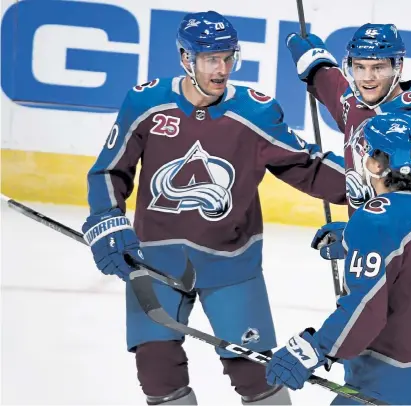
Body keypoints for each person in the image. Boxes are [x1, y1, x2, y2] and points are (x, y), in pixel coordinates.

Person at [81, 10, 347, 405]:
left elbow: (304, 165)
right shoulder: (146, 102)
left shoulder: (254, 112)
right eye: (210, 59)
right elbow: (108, 169)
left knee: (256, 374)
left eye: (228, 57)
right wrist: (105, 218)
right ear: (185, 58)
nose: (222, 69)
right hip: (155, 261)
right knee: (156, 369)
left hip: (231, 264)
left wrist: (377, 188)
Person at [266, 113, 411, 405]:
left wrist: (314, 349)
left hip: (389, 374)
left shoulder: (373, 222)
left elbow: (364, 311)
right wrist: (352, 239)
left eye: (366, 150)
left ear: (377, 164)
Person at [286, 23, 411, 294]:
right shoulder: (355, 101)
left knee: (385, 332)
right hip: (373, 249)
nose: (367, 77)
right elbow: (332, 88)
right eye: (359, 67)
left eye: (378, 67)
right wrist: (315, 62)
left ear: (398, 66)